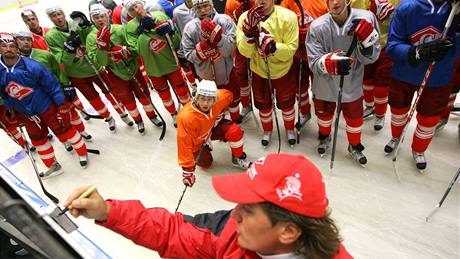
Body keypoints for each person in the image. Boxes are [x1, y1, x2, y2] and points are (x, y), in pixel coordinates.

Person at [64, 153, 352, 258]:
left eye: (247, 210)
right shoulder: (232, 233)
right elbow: (172, 232)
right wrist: (108, 212)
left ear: (288, 232)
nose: (234, 213)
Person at [0, 32, 89, 178]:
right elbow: (4, 93)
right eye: (4, 46)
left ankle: (82, 152)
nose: (8, 49)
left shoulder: (33, 66)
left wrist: (61, 105)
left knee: (65, 129)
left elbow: (52, 86)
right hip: (26, 114)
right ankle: (53, 165)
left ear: (17, 48)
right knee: (38, 140)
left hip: (46, 107)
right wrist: (10, 109)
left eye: (11, 46)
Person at [385, 0, 458, 171]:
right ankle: (396, 137)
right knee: (398, 110)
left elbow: (457, 53)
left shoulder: (456, 10)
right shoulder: (407, 7)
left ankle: (418, 149)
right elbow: (392, 46)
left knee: (429, 119)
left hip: (438, 77)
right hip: (404, 74)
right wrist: (416, 52)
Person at [306, 0, 380, 165]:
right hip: (324, 84)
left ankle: (354, 145)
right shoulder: (317, 26)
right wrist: (328, 63)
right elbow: (313, 60)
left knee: (354, 117)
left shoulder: (367, 18)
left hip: (352, 82)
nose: (335, 2)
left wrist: (367, 46)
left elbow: (372, 56)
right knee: (324, 116)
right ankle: (325, 137)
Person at [44, 6, 134, 133]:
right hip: (76, 74)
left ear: (63, 14)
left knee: (110, 92)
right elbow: (62, 60)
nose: (58, 17)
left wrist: (87, 25)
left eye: (59, 14)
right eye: (54, 16)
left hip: (95, 67)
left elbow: (95, 36)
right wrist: (69, 50)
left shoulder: (76, 23)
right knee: (93, 99)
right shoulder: (50, 36)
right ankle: (108, 118)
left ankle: (123, 114)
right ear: (50, 19)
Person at [87, 4, 164, 134]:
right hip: (115, 74)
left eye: (102, 16)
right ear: (92, 20)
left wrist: (126, 52)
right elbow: (99, 62)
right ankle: (138, 120)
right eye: (96, 17)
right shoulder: (91, 37)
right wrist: (103, 48)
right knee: (127, 100)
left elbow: (134, 47)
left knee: (143, 94)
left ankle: (152, 116)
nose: (100, 20)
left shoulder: (120, 29)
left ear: (107, 16)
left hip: (132, 68)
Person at [15, 30, 93, 151]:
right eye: (22, 39)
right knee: (53, 121)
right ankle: (64, 140)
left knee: (70, 112)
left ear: (32, 41)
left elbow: (58, 71)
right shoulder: (15, 63)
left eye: (28, 39)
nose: (25, 42)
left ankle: (81, 130)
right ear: (16, 41)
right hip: (41, 99)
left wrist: (66, 85)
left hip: (56, 91)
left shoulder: (44, 55)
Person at [236, 0, 299, 147]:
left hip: (284, 71)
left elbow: (292, 48)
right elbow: (244, 51)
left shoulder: (289, 17)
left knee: (287, 103)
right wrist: (248, 37)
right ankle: (267, 130)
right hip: (259, 71)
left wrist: (274, 48)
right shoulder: (244, 18)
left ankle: (290, 129)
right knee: (263, 104)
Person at [125, 0, 192, 127]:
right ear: (130, 13)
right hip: (154, 68)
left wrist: (172, 32)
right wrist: (144, 33)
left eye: (136, 5)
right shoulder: (130, 27)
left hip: (171, 62)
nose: (136, 9)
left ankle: (190, 112)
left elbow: (176, 39)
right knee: (164, 95)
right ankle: (173, 115)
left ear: (142, 4)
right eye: (132, 9)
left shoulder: (159, 15)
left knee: (182, 90)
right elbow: (137, 50)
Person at [177, 80, 251, 187]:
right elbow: (184, 145)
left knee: (235, 132)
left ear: (215, 99)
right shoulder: (186, 118)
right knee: (206, 164)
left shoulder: (222, 97)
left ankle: (237, 157)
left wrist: (222, 111)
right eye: (202, 99)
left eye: (209, 100)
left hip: (212, 128)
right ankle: (206, 145)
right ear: (196, 98)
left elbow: (229, 95)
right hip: (197, 141)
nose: (206, 103)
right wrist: (187, 171)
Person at [181, 0, 242, 123]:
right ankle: (220, 122)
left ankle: (235, 119)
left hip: (227, 72)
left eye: (205, 6)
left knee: (233, 98)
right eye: (199, 7)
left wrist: (219, 39)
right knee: (212, 104)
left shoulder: (225, 20)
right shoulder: (190, 27)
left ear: (211, 5)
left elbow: (231, 48)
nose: (203, 10)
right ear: (194, 9)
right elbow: (187, 53)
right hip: (205, 77)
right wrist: (200, 52)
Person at [281, 0, 328, 131]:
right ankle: (304, 111)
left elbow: (331, 24)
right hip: (297, 53)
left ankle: (323, 120)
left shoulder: (325, 2)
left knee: (320, 90)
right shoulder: (289, 1)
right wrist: (295, 35)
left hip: (319, 55)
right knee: (299, 87)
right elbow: (282, 20)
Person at [352, 0, 398, 131]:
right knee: (366, 79)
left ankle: (380, 114)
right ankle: (370, 106)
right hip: (365, 43)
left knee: (381, 85)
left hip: (388, 45)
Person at [225, 0, 254, 122]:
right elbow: (229, 26)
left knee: (259, 76)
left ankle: (264, 105)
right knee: (241, 74)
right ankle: (246, 104)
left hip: (259, 42)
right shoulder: (231, 3)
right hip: (240, 44)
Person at [173, 0, 199, 95]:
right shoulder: (177, 12)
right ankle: (194, 87)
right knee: (193, 71)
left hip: (203, 45)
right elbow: (178, 31)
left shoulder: (203, 6)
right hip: (189, 48)